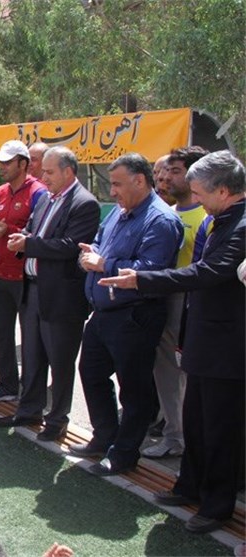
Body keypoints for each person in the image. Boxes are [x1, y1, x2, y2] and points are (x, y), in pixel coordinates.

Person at [100, 150, 245, 533]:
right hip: (204, 340)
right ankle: (190, 486)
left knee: (220, 429)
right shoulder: (219, 219)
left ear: (223, 191)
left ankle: (217, 506)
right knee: (195, 421)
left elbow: (209, 272)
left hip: (228, 348)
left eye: (200, 193)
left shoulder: (242, 225)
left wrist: (142, 279)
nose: (194, 199)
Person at [70, 153, 183, 476]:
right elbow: (98, 241)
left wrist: (103, 263)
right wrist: (91, 254)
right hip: (104, 313)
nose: (113, 192)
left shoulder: (160, 220)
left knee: (134, 390)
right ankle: (104, 436)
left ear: (140, 180)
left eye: (118, 184)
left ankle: (124, 453)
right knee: (91, 372)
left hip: (135, 315)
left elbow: (151, 270)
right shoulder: (120, 213)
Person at [0, 146, 100, 441]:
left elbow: (70, 246)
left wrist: (28, 245)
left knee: (60, 362)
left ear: (68, 172)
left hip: (61, 297)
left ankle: (57, 420)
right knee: (32, 356)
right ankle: (29, 410)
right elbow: (34, 231)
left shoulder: (85, 204)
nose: (43, 176)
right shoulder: (46, 199)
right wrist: (22, 238)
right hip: (32, 291)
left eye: (49, 171)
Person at [142, 146, 209, 459]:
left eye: (175, 171)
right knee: (166, 371)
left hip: (189, 304)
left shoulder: (207, 216)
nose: (166, 177)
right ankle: (173, 433)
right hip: (164, 300)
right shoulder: (167, 213)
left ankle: (186, 438)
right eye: (165, 171)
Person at [0, 140, 47, 403]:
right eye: (0, 162)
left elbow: (40, 233)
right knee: (2, 332)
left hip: (28, 278)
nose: (2, 166)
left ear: (23, 163)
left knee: (31, 337)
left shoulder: (39, 192)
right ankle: (7, 384)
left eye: (7, 162)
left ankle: (31, 390)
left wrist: (8, 230)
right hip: (1, 274)